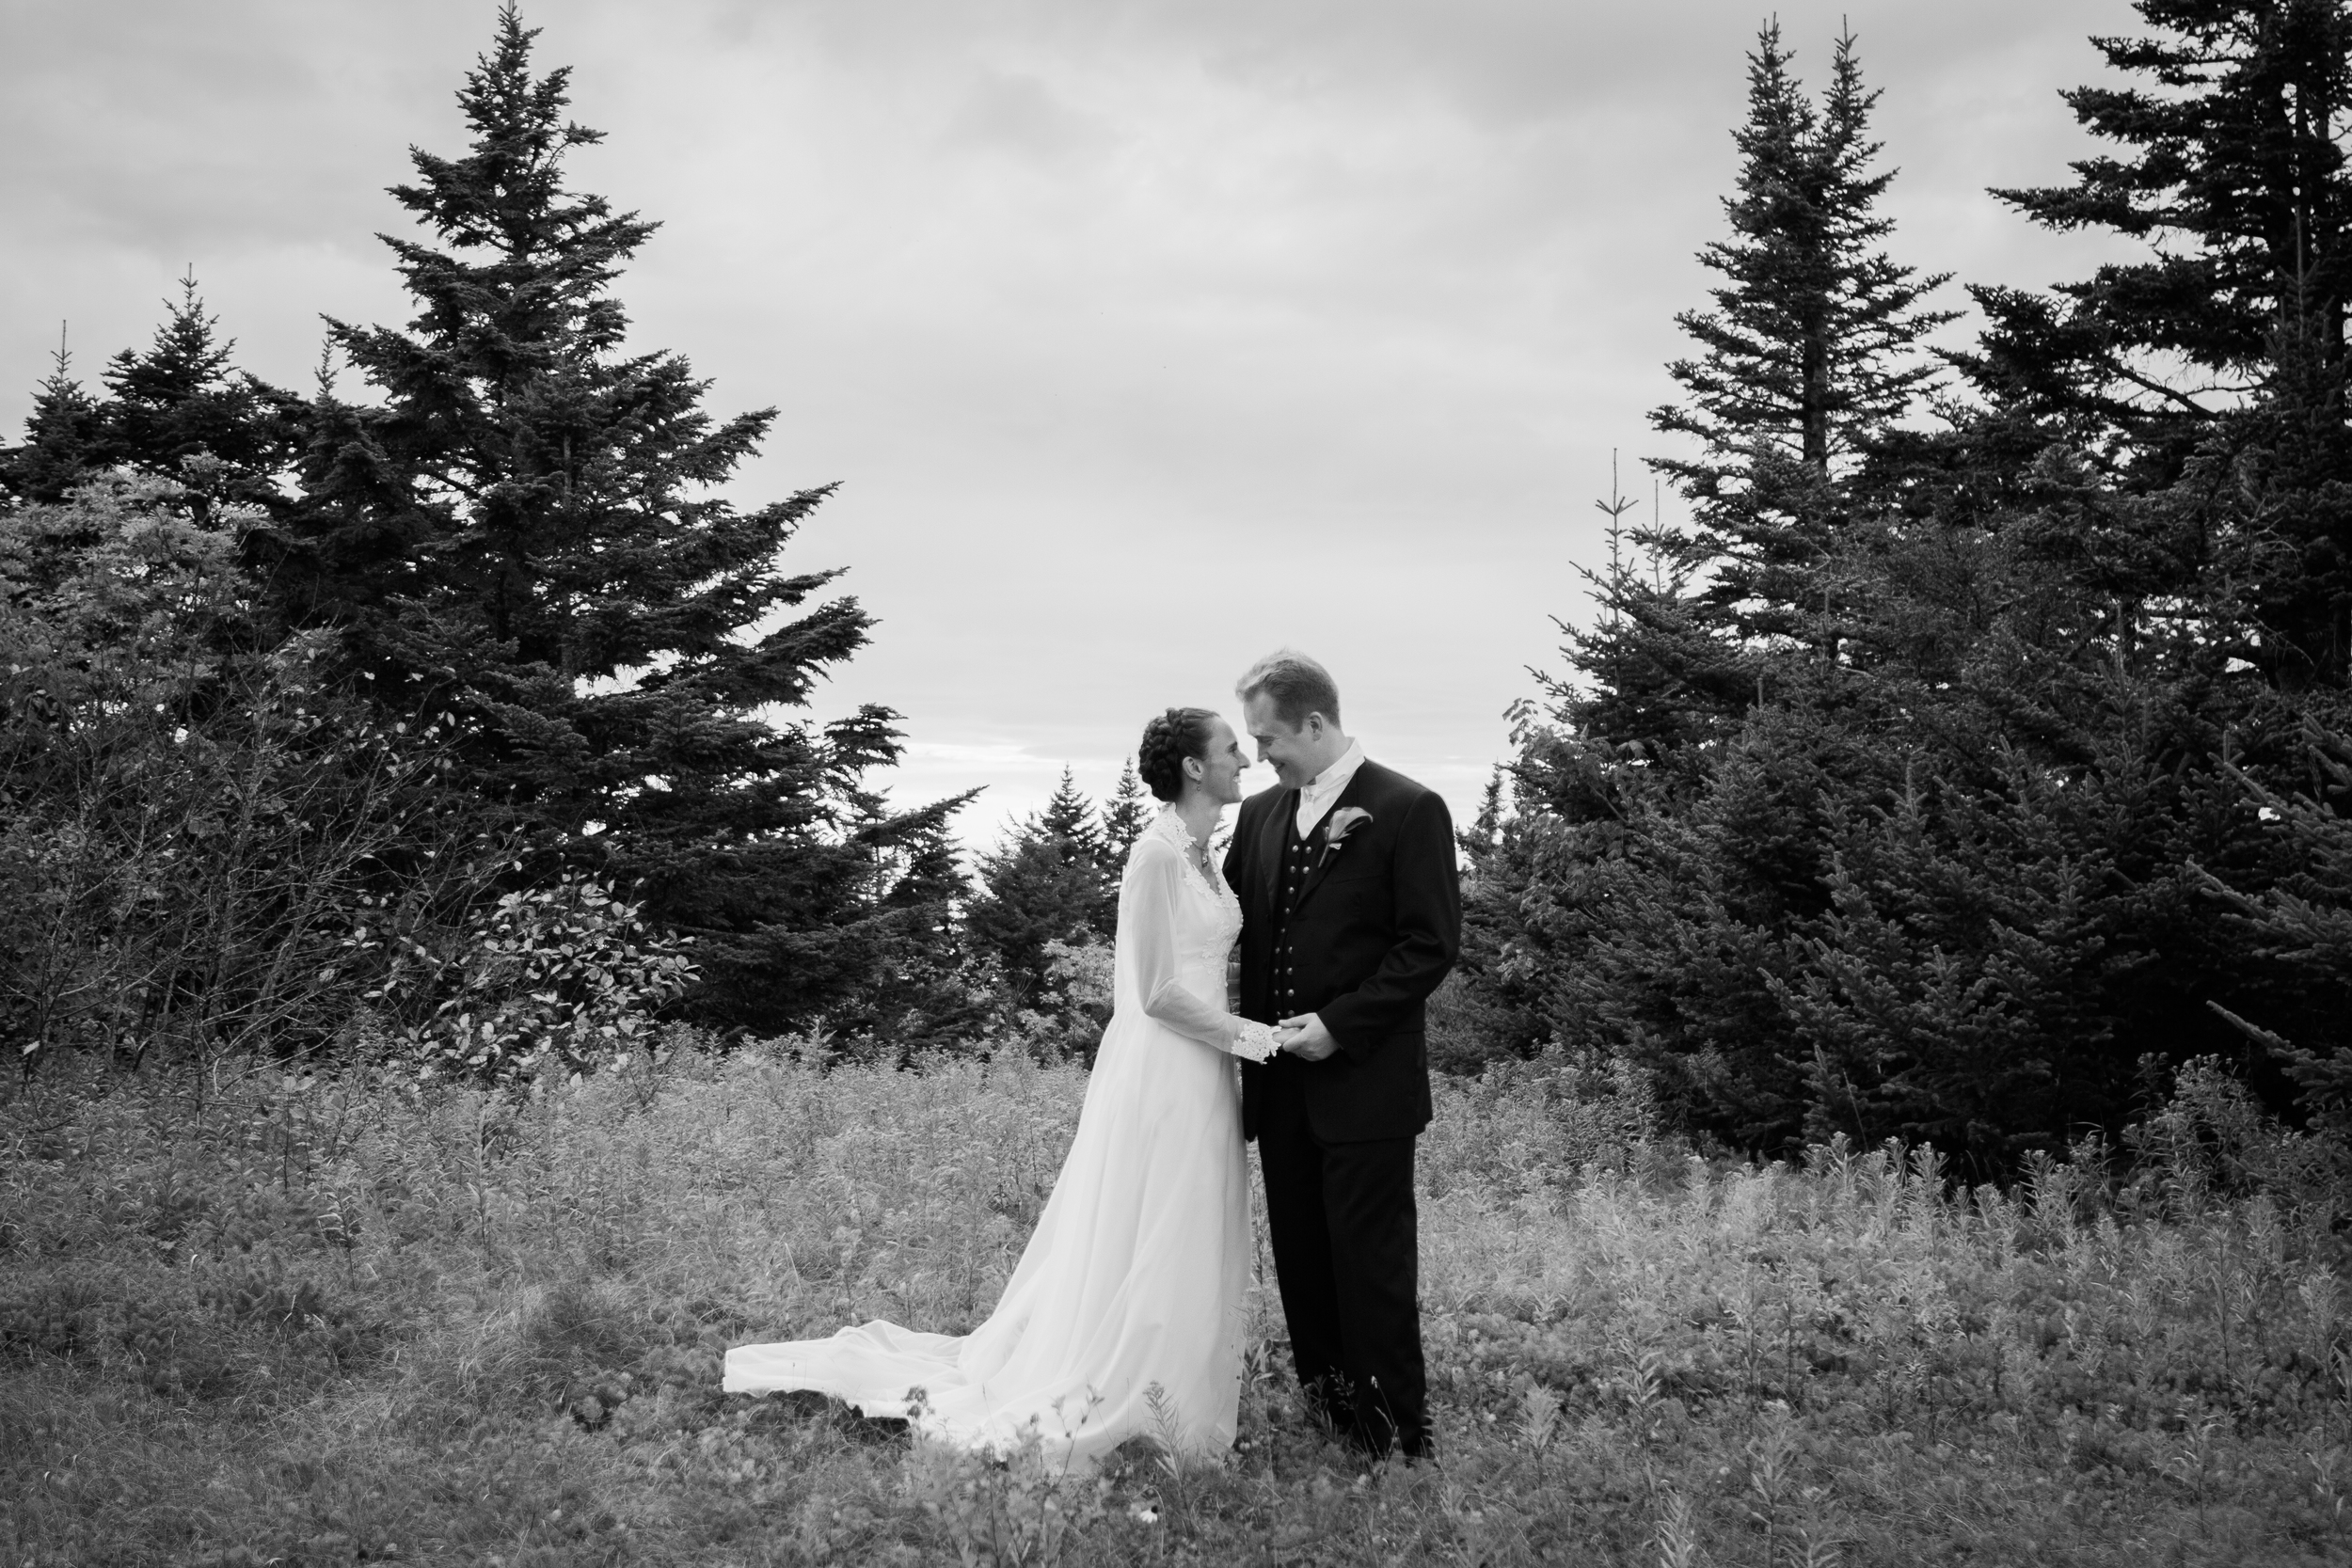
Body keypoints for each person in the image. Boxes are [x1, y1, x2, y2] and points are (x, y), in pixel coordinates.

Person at [723, 707, 1279, 1472]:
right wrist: (1258, 1040)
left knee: (1188, 1222)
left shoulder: (1202, 853)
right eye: (1228, 748)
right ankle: (1136, 1389)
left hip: (1205, 1066)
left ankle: (1176, 1387)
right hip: (1168, 1068)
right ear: (1191, 767)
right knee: (1157, 1221)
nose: (1243, 758)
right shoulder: (1153, 856)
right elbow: (1152, 990)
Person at [1227, 650, 1460, 1462]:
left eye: (1270, 740)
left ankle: (1398, 1432)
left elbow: (1430, 945)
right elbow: (1236, 928)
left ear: (1316, 723)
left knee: (1373, 1265)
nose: (1262, 757)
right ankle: (1330, 1417)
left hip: (1366, 1082)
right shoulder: (1259, 818)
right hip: (1279, 1084)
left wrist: (1341, 1021)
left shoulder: (1408, 807)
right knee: (1301, 1258)